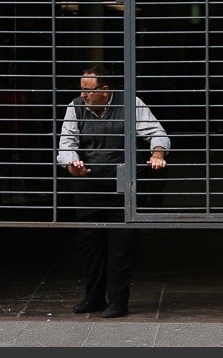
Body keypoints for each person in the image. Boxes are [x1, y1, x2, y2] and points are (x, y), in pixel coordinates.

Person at [57, 66, 170, 318]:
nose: (83, 95)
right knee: (90, 244)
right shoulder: (75, 107)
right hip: (88, 184)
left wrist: (157, 153)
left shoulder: (130, 103)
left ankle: (118, 302)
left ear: (105, 90)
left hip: (122, 185)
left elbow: (156, 132)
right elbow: (67, 144)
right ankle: (94, 298)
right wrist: (71, 164)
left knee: (121, 245)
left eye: (88, 90)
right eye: (81, 89)